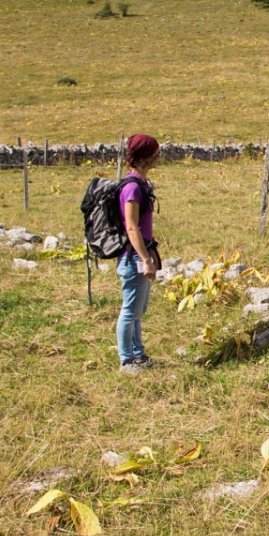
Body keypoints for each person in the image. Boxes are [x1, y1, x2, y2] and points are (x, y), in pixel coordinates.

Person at [116, 133, 162, 373]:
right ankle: (127, 360)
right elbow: (131, 226)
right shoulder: (133, 188)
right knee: (130, 310)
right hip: (134, 256)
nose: (159, 156)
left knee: (138, 310)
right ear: (145, 158)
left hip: (141, 252)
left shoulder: (141, 184)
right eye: (155, 152)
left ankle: (138, 354)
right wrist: (145, 259)